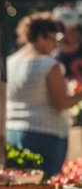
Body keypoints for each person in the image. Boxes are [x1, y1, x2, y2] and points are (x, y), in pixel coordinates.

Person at [6, 11, 82, 177]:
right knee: (46, 188)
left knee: (20, 187)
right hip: (45, 135)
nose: (56, 46)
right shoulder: (50, 65)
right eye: (53, 40)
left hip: (12, 132)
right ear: (40, 37)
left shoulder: (9, 62)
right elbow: (61, 103)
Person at [53, 5, 82, 85]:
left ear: (77, 32)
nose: (65, 36)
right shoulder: (52, 56)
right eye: (62, 31)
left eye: (71, 32)